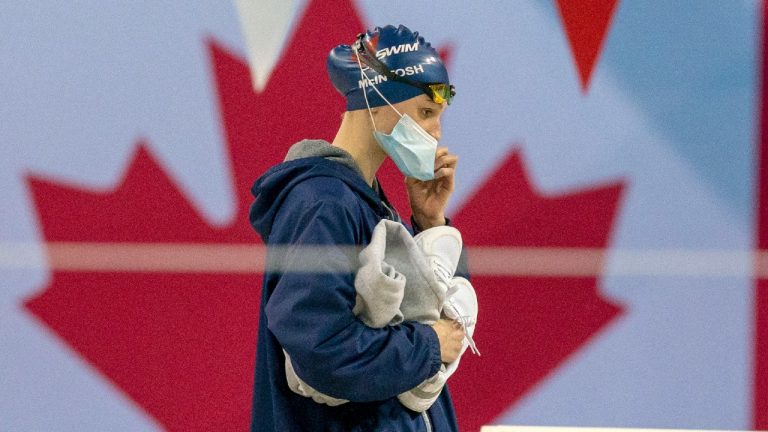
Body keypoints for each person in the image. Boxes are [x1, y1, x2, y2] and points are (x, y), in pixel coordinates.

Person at [249, 24, 469, 431]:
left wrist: (429, 223)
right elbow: (322, 349)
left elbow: (451, 318)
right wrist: (428, 345)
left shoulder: (368, 205)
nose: (437, 133)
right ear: (376, 100)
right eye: (425, 112)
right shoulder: (322, 204)